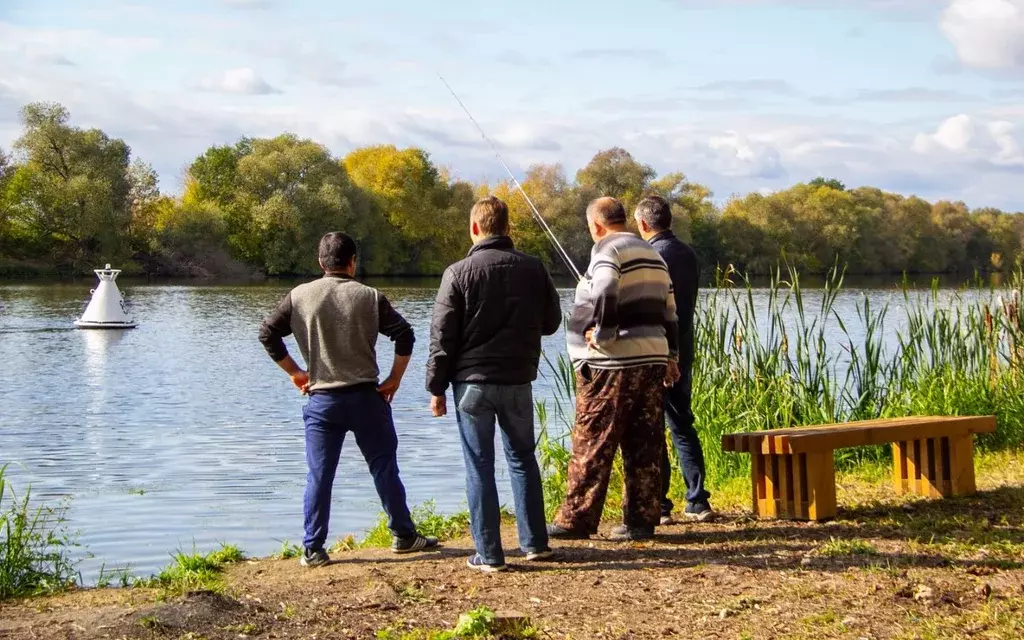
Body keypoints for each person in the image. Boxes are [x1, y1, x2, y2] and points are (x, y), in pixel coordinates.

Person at [258, 232, 439, 568]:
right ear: (353, 261)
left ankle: (313, 548)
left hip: (322, 401)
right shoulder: (369, 296)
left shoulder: (299, 296)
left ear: (320, 262)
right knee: (384, 467)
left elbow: (267, 332)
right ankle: (403, 535)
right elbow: (405, 335)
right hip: (366, 399)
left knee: (319, 475)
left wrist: (295, 373)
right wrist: (394, 379)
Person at [426, 195, 563, 573]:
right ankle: (535, 544)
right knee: (522, 459)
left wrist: (435, 389)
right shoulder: (534, 269)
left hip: (471, 384)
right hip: (518, 380)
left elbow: (442, 337)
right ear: (507, 228)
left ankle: (489, 554)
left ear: (474, 228)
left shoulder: (456, 273)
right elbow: (551, 322)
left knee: (479, 466)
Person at [548, 196, 680, 542]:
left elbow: (605, 287)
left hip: (612, 364)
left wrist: (604, 333)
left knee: (593, 440)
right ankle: (641, 520)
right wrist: (671, 356)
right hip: (651, 360)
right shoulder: (653, 253)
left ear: (596, 225)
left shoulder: (608, 251)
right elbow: (670, 310)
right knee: (644, 442)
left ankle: (575, 521)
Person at [633, 195, 714, 523]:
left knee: (653, 427)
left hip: (656, 353)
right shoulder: (688, 254)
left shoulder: (650, 256)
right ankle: (697, 500)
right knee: (682, 423)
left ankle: (661, 505)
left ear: (642, 224)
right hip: (685, 350)